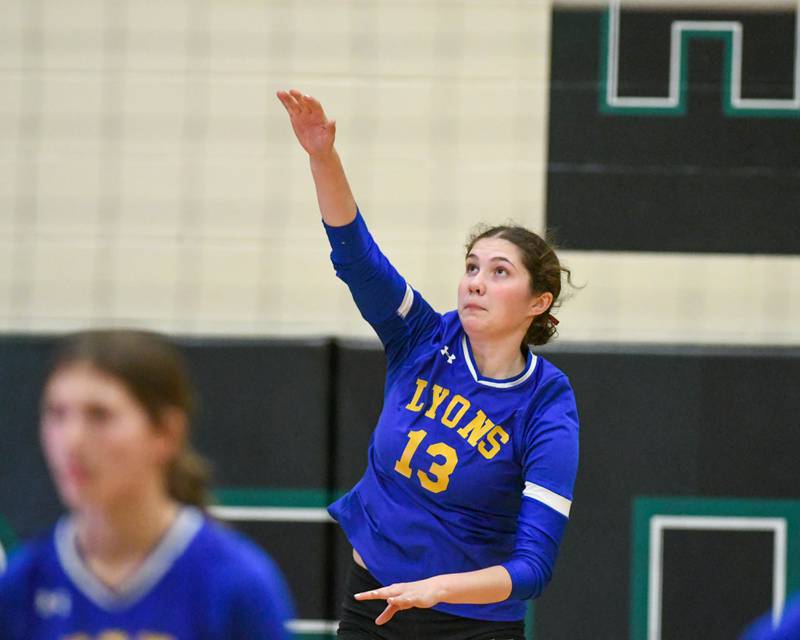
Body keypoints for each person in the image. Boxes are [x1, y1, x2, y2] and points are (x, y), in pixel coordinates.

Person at [277, 89, 580, 639]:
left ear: (539, 303)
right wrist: (323, 156)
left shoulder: (547, 403)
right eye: (471, 266)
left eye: (500, 272)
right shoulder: (421, 335)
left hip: (471, 628)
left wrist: (437, 588)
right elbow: (356, 257)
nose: (476, 282)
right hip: (371, 608)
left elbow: (533, 569)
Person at [0, 329, 294, 640]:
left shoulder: (234, 583)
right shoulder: (22, 584)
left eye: (99, 415)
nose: (70, 440)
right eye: (57, 414)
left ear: (167, 432)